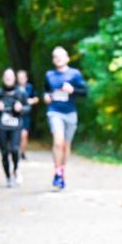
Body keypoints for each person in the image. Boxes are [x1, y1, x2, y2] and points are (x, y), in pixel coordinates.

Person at [43, 46, 88, 190]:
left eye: (61, 56)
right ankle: (56, 171)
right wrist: (45, 97)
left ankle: (61, 171)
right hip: (54, 112)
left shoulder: (75, 74)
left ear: (67, 58)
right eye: (55, 56)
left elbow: (85, 92)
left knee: (66, 145)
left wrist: (73, 90)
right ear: (52, 60)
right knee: (58, 142)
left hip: (70, 113)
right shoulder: (49, 75)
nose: (58, 58)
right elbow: (45, 91)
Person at [0, 68, 28, 187]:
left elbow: (28, 108)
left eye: (10, 77)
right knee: (5, 152)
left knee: (15, 149)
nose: (8, 79)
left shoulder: (20, 93)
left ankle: (16, 169)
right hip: (1, 126)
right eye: (6, 77)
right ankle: (8, 177)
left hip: (16, 126)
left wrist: (20, 108)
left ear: (14, 78)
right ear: (3, 78)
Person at [16, 69, 39, 160]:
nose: (21, 79)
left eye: (23, 77)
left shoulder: (30, 87)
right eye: (19, 78)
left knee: (24, 135)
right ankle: (16, 151)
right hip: (16, 115)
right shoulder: (14, 88)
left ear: (26, 78)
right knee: (17, 135)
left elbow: (36, 98)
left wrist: (31, 101)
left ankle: (23, 152)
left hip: (26, 115)